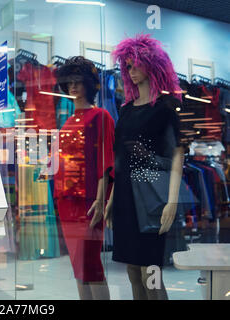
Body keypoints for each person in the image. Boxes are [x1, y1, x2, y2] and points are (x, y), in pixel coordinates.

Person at [106, 34, 184, 300]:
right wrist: (112, 197)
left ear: (151, 64)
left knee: (150, 274)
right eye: (127, 66)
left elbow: (176, 156)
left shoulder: (164, 109)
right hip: (126, 196)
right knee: (131, 271)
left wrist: (172, 201)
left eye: (136, 64)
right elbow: (120, 159)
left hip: (151, 199)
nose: (132, 70)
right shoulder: (126, 109)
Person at [52, 56, 115, 300]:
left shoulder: (101, 116)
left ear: (89, 84)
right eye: (69, 82)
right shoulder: (68, 121)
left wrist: (101, 200)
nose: (73, 87)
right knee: (78, 266)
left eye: (78, 81)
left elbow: (105, 162)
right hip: (66, 199)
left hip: (89, 201)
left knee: (91, 265)